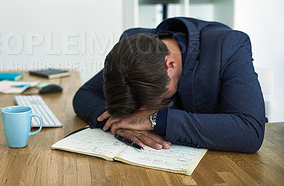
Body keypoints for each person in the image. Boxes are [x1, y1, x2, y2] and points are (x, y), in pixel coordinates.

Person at [73, 17, 265, 153]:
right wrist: (119, 123)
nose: (138, 113)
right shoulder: (131, 49)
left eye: (150, 103)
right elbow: (85, 94)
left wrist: (154, 119)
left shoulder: (230, 45)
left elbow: (249, 130)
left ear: (170, 65)